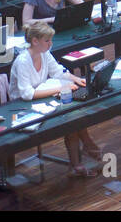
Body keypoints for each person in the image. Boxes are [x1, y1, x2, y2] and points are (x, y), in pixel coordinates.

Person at [10, 22, 101, 177]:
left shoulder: (44, 53)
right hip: (21, 107)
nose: (50, 44)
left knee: (72, 116)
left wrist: (76, 79)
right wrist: (60, 89)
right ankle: (86, 147)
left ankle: (77, 164)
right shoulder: (23, 61)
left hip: (41, 98)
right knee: (70, 116)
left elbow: (58, 72)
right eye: (47, 40)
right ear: (35, 41)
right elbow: (26, 94)